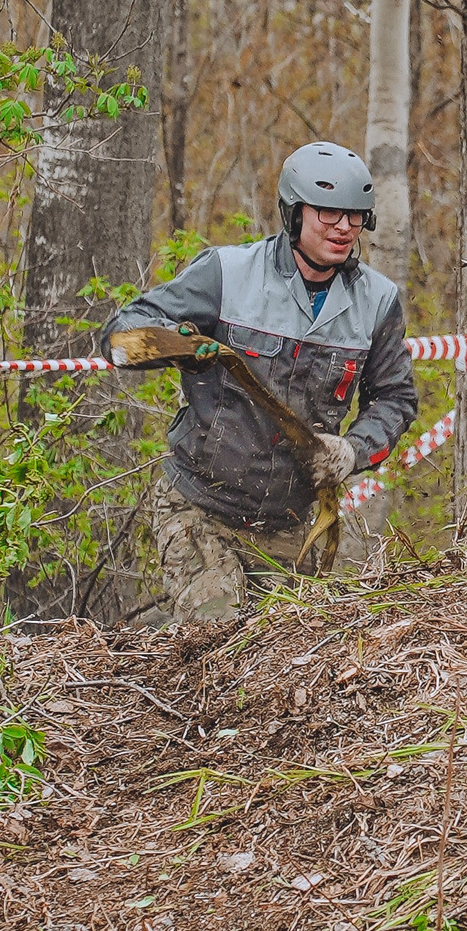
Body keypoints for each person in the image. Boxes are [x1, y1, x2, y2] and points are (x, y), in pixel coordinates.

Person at [103, 143, 419, 622]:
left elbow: (396, 398)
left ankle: (157, 641)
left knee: (286, 664)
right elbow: (120, 337)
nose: (343, 228)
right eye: (328, 214)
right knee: (221, 634)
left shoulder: (377, 301)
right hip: (200, 510)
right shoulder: (227, 273)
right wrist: (175, 348)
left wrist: (352, 450)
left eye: (355, 216)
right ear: (294, 213)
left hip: (290, 525)